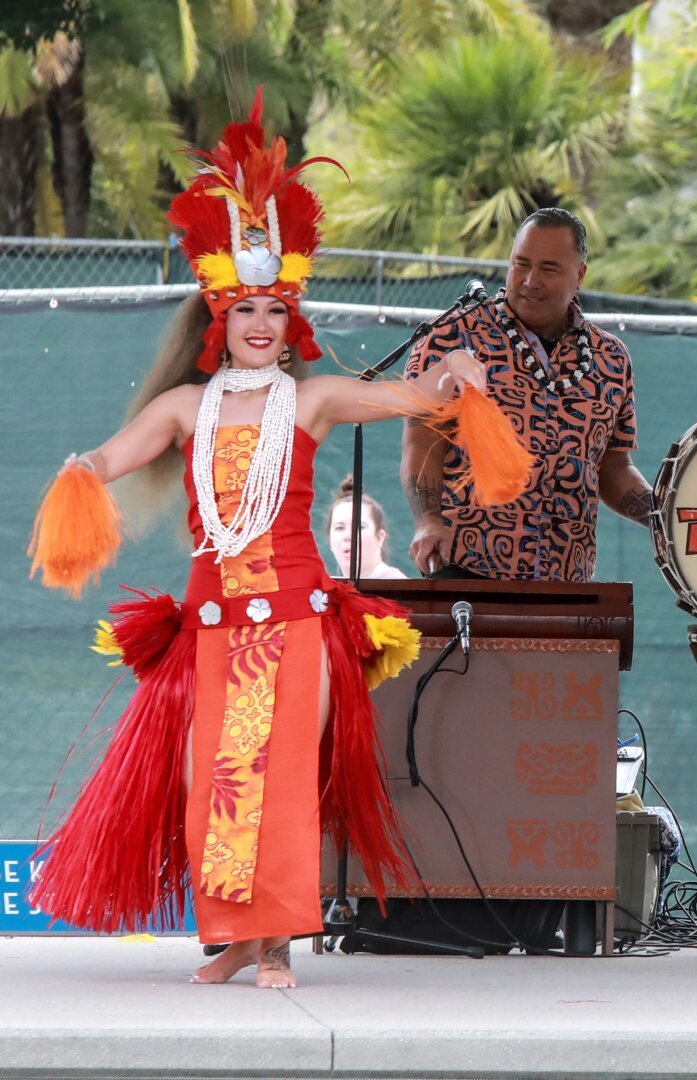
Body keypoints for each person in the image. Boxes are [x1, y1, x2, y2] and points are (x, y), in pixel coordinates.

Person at [25, 93, 495, 988]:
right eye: (243, 311)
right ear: (217, 319)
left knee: (280, 779)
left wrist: (453, 373)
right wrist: (82, 465)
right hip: (213, 621)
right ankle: (237, 934)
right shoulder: (183, 409)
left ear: (291, 322)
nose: (258, 325)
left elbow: (413, 397)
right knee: (214, 784)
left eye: (273, 312)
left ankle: (279, 938)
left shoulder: (309, 401)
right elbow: (114, 456)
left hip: (295, 616)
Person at [402, 207, 650, 582]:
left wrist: (663, 516)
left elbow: (614, 467)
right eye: (521, 264)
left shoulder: (611, 358)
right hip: (467, 571)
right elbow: (421, 445)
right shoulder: (451, 339)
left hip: (567, 580)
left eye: (549, 269)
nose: (530, 280)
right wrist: (427, 520)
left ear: (579, 275)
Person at [327, 475, 408, 580]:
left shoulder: (398, 586)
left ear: (380, 537)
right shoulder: (327, 591)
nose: (348, 536)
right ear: (330, 540)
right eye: (339, 528)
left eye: (359, 527)